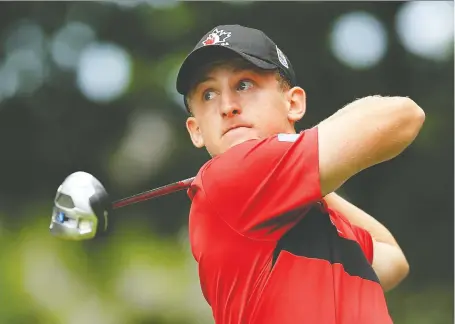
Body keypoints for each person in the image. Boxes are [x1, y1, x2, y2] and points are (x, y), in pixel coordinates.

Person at [175, 24, 425, 324]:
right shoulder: (229, 175)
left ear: (293, 103)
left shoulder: (308, 211)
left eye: (244, 84)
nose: (227, 106)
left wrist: (309, 182)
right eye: (208, 94)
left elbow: (392, 260)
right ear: (196, 130)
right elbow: (402, 115)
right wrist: (306, 165)